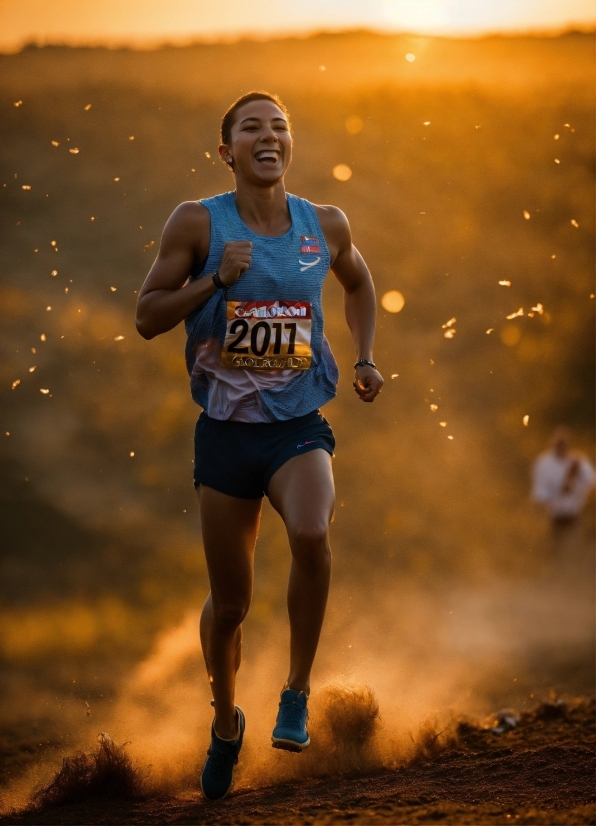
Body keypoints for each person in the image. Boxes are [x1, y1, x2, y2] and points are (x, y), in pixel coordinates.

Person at [135, 91, 383, 800]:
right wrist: (216, 279)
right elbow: (147, 315)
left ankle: (296, 694)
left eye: (280, 127)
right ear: (228, 151)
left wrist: (364, 358)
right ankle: (224, 721)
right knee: (232, 603)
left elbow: (360, 283)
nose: (268, 136)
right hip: (225, 436)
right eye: (252, 127)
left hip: (298, 424)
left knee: (311, 533)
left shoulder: (324, 223)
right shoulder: (197, 222)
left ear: (289, 146)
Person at [531, 425, 594, 556]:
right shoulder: (544, 463)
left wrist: (577, 474)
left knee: (575, 553)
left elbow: (592, 481)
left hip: (576, 515)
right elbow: (540, 492)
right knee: (557, 552)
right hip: (554, 517)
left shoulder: (579, 462)